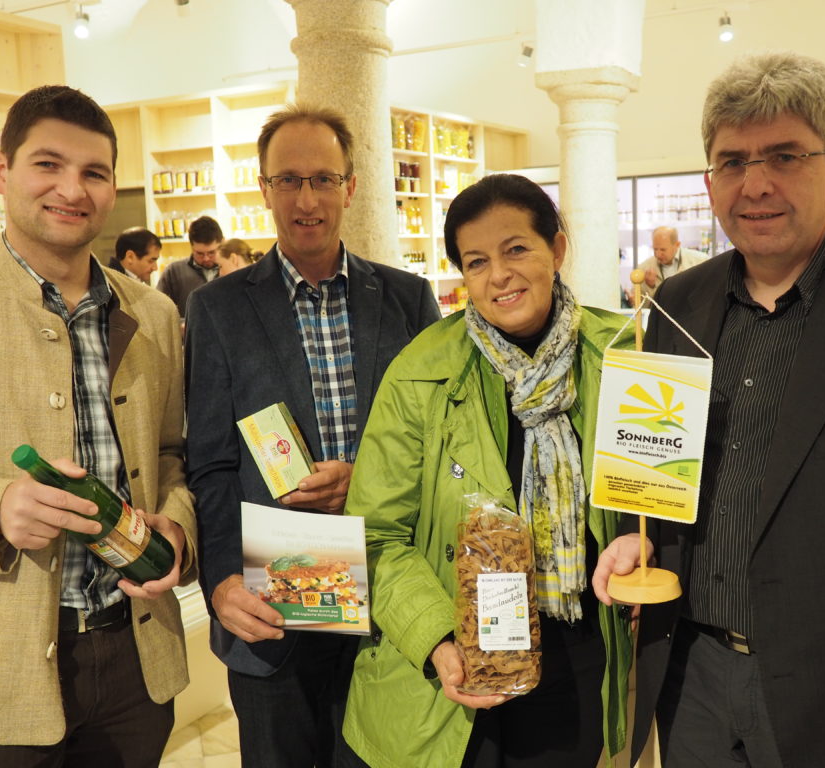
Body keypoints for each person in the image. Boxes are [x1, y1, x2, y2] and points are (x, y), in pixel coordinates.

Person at [594, 52, 825, 768]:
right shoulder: (677, 307)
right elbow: (663, 482)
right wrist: (644, 541)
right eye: (732, 162)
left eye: (784, 156)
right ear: (709, 181)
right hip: (692, 682)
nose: (755, 185)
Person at [0, 85, 197, 766]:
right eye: (47, 164)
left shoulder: (152, 314)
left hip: (137, 658)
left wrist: (176, 524)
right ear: (0, 170)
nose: (72, 188)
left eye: (94, 172)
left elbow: (168, 454)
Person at [342, 173, 635, 768]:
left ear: (556, 248)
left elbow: (661, 498)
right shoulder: (421, 370)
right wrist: (437, 643)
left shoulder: (621, 355)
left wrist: (641, 544)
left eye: (516, 249)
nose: (498, 275)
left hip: (576, 654)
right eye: (476, 262)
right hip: (457, 665)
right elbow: (375, 536)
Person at [184, 103, 440, 768]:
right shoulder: (217, 310)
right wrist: (218, 584)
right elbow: (210, 466)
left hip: (389, 600)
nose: (307, 199)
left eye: (324, 179)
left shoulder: (410, 301)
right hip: (276, 599)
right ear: (263, 188)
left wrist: (367, 479)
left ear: (351, 187)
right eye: (289, 180)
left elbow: (441, 443)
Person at [157, 214, 221, 318]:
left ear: (221, 243)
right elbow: (159, 307)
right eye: (199, 253)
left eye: (211, 253)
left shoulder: (231, 271)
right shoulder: (174, 271)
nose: (206, 258)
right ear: (191, 246)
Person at [639, 225, 706, 299]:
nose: (658, 254)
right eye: (655, 249)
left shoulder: (700, 262)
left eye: (663, 250)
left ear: (677, 245)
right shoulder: (643, 269)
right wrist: (650, 287)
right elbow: (640, 306)